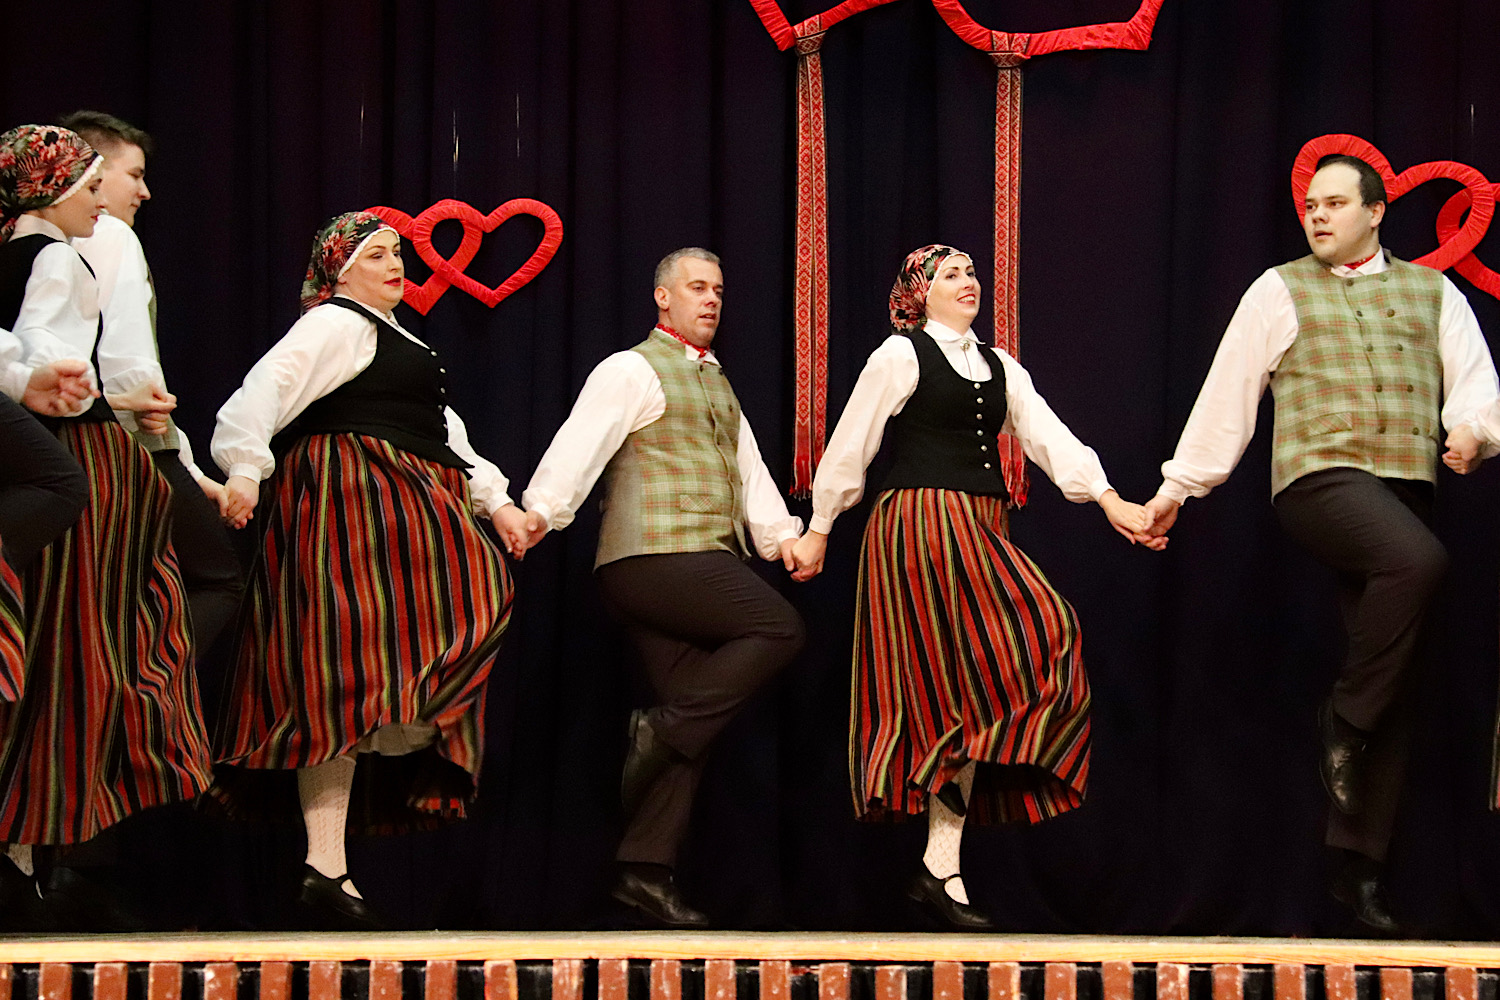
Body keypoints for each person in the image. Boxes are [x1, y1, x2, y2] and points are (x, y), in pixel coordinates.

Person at [1140, 154, 1500, 933]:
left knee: (1398, 669)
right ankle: (1345, 720)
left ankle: (1357, 868)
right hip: (1319, 480)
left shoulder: (1435, 292)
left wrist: (1473, 433)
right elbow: (1228, 393)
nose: (1318, 215)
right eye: (1310, 205)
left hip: (1405, 486)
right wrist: (1177, 489)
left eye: (1335, 203)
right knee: (1419, 561)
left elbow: (1476, 382)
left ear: (1376, 211)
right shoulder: (1279, 289)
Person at [790, 244, 1154, 929]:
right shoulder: (900, 356)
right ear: (921, 293)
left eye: (972, 273)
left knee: (999, 674)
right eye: (951, 275)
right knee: (964, 681)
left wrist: (1110, 500)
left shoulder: (999, 366)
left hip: (982, 525)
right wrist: (820, 528)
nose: (968, 282)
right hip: (920, 525)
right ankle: (940, 865)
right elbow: (851, 443)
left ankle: (939, 867)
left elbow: (1049, 437)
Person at [211, 211, 528, 929]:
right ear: (340, 270)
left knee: (367, 667)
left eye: (397, 254)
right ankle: (326, 866)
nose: (396, 265)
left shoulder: (397, 337)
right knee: (338, 675)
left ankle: (337, 844)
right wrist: (245, 472)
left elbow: (446, 435)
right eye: (378, 254)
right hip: (350, 495)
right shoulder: (334, 324)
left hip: (403, 495)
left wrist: (498, 502)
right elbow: (259, 396)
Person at [522, 247, 810, 928]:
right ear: (663, 297)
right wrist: (542, 510)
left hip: (689, 559)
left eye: (718, 290)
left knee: (693, 724)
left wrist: (782, 539)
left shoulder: (718, 382)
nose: (710, 300)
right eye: (697, 287)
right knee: (777, 627)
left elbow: (749, 472)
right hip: (650, 558)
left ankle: (643, 871)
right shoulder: (631, 368)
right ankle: (659, 730)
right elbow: (581, 443)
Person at [0, 124, 213, 928]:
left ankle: (25, 861)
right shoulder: (62, 256)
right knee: (77, 654)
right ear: (54, 189)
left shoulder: (17, 248)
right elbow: (49, 353)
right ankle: (28, 858)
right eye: (92, 186)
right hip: (78, 452)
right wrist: (70, 387)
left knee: (43, 650)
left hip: (49, 442)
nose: (108, 201)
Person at [61, 110, 245, 657]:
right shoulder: (109, 233)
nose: (144, 192)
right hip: (124, 444)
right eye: (134, 175)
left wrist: (193, 471)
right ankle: (143, 681)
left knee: (95, 594)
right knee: (219, 580)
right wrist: (177, 461)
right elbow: (131, 362)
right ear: (94, 172)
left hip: (71, 435)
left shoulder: (40, 238)